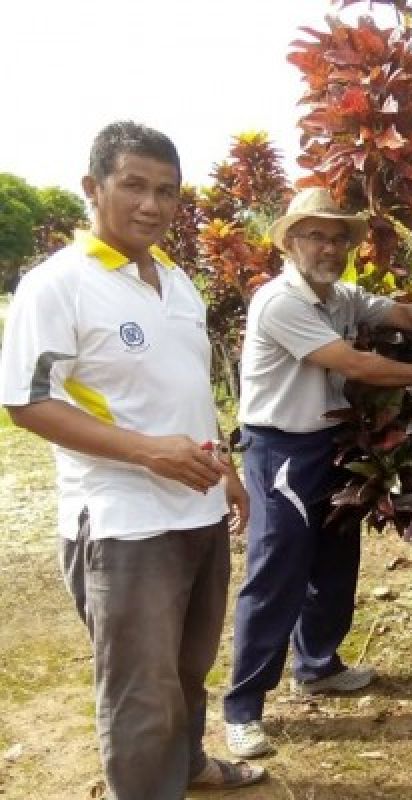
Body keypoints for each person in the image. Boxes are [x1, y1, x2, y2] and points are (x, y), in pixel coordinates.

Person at [0, 121, 266, 797]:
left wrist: (226, 472)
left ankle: (188, 768)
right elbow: (26, 404)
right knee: (139, 687)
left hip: (197, 507)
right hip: (121, 522)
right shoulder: (57, 284)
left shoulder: (176, 281)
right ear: (93, 188)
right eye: (135, 185)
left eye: (168, 191)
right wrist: (149, 453)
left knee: (188, 665)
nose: (153, 204)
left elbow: (182, 392)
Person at [223, 187, 412, 758]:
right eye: (316, 235)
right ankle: (242, 708)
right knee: (277, 571)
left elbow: (410, 317)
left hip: (330, 442)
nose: (330, 247)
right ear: (291, 242)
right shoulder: (280, 302)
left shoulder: (341, 296)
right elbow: (356, 364)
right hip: (281, 449)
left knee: (337, 560)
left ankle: (317, 665)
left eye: (339, 238)